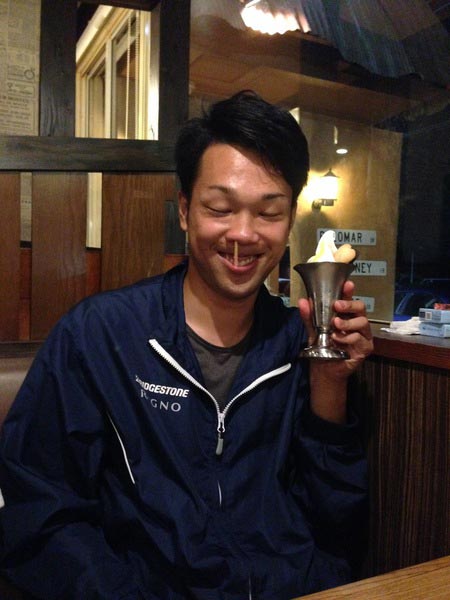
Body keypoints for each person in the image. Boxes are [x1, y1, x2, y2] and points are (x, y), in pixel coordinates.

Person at [0, 91, 373, 599]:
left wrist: (329, 382)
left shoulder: (296, 341)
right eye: (220, 208)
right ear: (184, 211)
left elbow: (336, 528)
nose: (243, 234)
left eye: (268, 213)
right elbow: (39, 513)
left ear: (289, 223)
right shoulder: (100, 335)